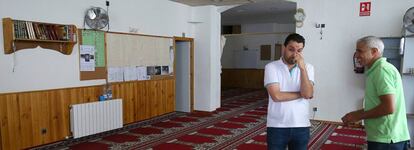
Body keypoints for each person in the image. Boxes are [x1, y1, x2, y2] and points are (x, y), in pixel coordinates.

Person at [342, 36, 410, 150]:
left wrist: (358, 115)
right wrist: (355, 114)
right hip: (385, 136)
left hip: (387, 138)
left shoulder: (381, 70)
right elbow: (379, 104)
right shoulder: (375, 70)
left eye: (360, 51)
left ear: (374, 51)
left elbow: (388, 108)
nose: (356, 55)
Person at [264, 33, 314, 150]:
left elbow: (308, 94)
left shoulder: (308, 68)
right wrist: (301, 94)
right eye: (291, 49)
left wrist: (302, 69)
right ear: (284, 48)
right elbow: (277, 96)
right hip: (277, 126)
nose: (295, 54)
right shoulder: (271, 67)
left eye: (299, 50)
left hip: (301, 125)